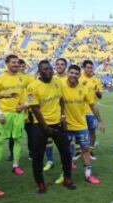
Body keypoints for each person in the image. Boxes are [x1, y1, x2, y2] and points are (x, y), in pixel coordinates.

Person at [27, 60, 76, 193]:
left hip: (58, 124)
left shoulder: (57, 82)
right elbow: (34, 108)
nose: (48, 71)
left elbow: (60, 99)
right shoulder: (32, 86)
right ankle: (40, 183)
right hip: (40, 126)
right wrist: (45, 127)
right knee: (38, 156)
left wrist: (63, 116)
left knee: (66, 153)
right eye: (45, 69)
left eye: (50, 69)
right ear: (39, 72)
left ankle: (67, 178)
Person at [56, 65, 105, 185]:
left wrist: (100, 120)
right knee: (66, 152)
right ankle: (64, 174)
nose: (73, 75)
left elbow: (93, 105)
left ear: (79, 75)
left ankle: (88, 175)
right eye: (71, 72)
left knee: (85, 149)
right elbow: (57, 101)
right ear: (68, 73)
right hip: (66, 126)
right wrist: (61, 115)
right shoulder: (61, 86)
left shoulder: (84, 89)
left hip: (81, 126)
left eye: (76, 73)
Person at [0, 55, 29, 176]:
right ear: (7, 63)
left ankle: (16, 165)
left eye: (17, 62)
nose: (15, 64)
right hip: (4, 114)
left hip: (18, 114)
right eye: (13, 62)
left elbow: (34, 91)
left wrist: (26, 104)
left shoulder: (24, 78)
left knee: (18, 140)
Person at [44, 57, 70, 171]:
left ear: (65, 66)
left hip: (68, 113)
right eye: (57, 64)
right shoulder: (51, 78)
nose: (59, 66)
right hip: (53, 114)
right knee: (48, 139)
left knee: (67, 140)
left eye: (62, 64)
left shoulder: (70, 79)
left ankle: (68, 162)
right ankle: (50, 160)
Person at [8, 58, 34, 162]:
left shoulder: (29, 78)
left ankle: (31, 153)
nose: (21, 68)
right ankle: (12, 154)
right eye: (20, 66)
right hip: (14, 110)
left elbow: (33, 93)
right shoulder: (11, 78)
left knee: (31, 134)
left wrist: (27, 104)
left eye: (23, 66)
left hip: (27, 110)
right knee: (12, 135)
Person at [78, 60, 103, 160]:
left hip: (92, 111)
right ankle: (80, 151)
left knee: (92, 131)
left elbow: (100, 96)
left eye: (91, 67)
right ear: (83, 68)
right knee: (79, 132)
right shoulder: (79, 79)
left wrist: (98, 92)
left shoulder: (96, 80)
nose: (90, 69)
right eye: (87, 67)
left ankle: (90, 150)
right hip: (79, 111)